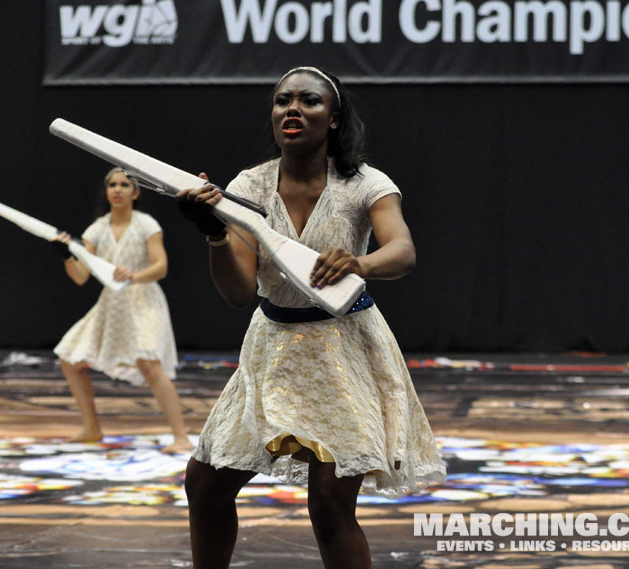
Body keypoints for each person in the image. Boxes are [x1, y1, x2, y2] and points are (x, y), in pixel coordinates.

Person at [176, 67, 445, 568]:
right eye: (282, 101)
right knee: (205, 484)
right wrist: (213, 233)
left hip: (344, 349)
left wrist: (361, 263)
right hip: (272, 349)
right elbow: (238, 292)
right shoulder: (248, 186)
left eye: (309, 101)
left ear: (335, 118)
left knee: (328, 504)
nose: (292, 109)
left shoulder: (366, 184)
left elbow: (403, 251)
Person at [53, 167, 193, 454]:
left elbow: (161, 266)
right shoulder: (98, 229)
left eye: (124, 185)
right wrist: (68, 256)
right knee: (69, 359)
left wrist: (134, 276)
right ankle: (91, 428)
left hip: (143, 300)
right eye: (112, 185)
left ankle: (181, 436)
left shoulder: (146, 225)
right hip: (112, 304)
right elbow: (81, 275)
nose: (117, 189)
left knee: (150, 364)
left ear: (135, 192)